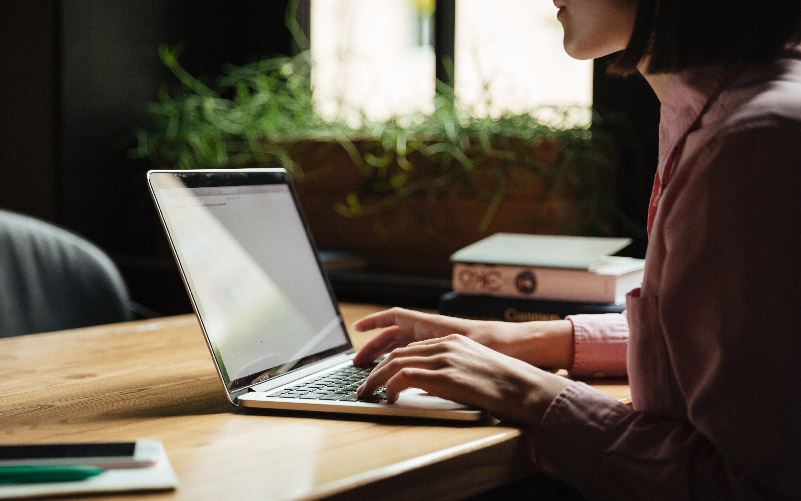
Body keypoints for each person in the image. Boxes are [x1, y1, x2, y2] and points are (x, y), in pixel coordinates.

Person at [353, 0, 801, 498]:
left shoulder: (753, 145)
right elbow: (738, 345)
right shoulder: (733, 114)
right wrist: (519, 341)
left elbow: (755, 487)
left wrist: (525, 391)